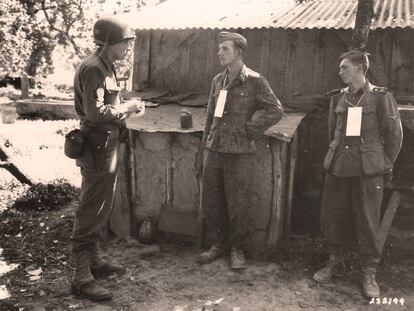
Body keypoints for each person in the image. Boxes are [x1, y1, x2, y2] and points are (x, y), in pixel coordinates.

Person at [313, 50, 403, 298]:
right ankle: (334, 260)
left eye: (345, 68)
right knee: (334, 215)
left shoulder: (381, 97)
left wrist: (384, 163)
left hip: (368, 168)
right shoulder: (338, 98)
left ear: (360, 68)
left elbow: (394, 135)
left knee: (367, 219)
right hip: (340, 165)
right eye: (341, 68)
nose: (340, 72)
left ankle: (368, 272)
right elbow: (334, 132)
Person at [70, 16, 144, 301]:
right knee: (91, 208)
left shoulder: (105, 66)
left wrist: (124, 107)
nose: (127, 49)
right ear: (111, 43)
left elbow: (106, 105)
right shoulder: (93, 69)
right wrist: (129, 107)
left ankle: (95, 262)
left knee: (101, 206)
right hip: (98, 147)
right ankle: (81, 278)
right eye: (125, 43)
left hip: (106, 145)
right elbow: (95, 113)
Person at [196, 32, 284, 270]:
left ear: (238, 52)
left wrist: (251, 129)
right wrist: (205, 146)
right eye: (220, 49)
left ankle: (237, 248)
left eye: (225, 49)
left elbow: (275, 110)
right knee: (213, 200)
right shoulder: (218, 81)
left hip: (239, 151)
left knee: (238, 203)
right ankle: (219, 244)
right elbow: (209, 116)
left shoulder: (255, 80)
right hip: (215, 150)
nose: (220, 53)